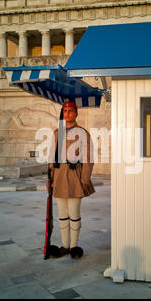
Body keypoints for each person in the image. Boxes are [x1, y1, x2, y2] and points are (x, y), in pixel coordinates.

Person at [48, 101, 95, 259]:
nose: (67, 113)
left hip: (75, 175)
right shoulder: (57, 133)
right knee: (62, 213)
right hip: (60, 175)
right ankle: (65, 246)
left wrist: (85, 179)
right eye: (65, 111)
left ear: (76, 113)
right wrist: (50, 178)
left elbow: (88, 158)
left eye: (70, 111)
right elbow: (51, 158)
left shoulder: (83, 133)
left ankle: (74, 246)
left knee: (74, 212)